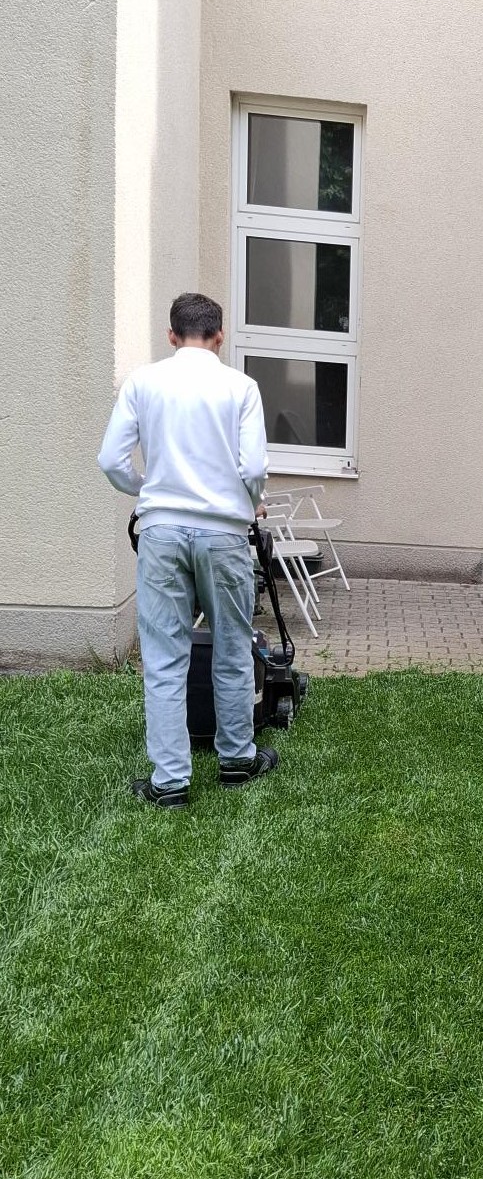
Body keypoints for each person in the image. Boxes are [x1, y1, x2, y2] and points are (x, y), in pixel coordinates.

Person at [99, 293, 277, 807]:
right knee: (232, 645)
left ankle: (171, 781)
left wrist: (148, 489)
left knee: (163, 657)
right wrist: (250, 504)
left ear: (172, 335)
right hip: (223, 534)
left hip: (161, 531)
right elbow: (251, 469)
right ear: (220, 336)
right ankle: (237, 759)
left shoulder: (143, 382)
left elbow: (111, 459)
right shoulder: (241, 387)